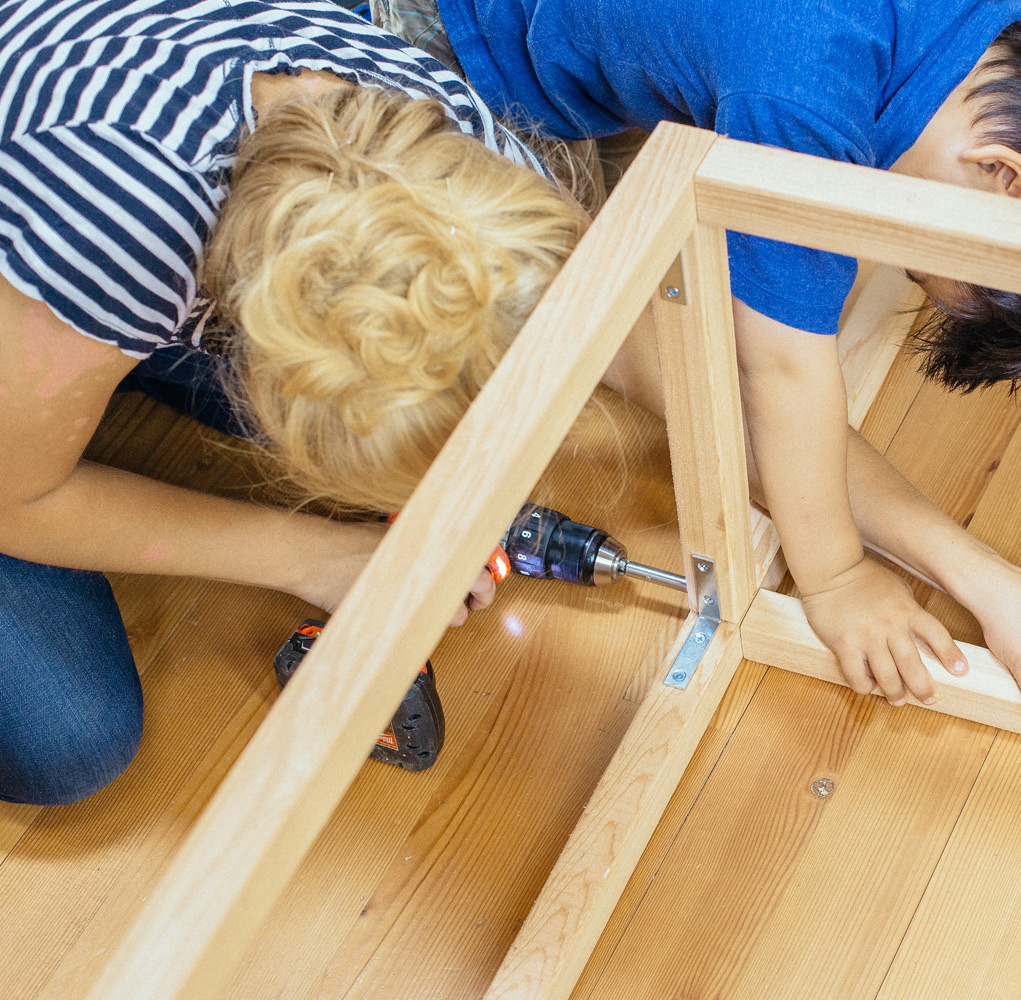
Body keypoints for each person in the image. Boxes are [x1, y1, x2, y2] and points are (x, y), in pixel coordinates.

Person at [374, 0, 1021, 733]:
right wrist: (835, 577)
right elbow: (777, 378)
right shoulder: (803, 114)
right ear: (1009, 182)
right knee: (558, 307)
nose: (932, 288)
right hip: (440, 39)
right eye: (965, 290)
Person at [0, 0, 585, 804]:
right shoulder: (112, 221)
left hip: (78, 286)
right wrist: (320, 557)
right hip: (67, 257)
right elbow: (17, 501)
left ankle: (77, 370)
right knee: (70, 737)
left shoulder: (467, 160)